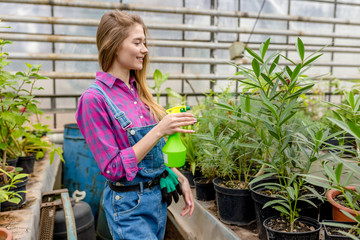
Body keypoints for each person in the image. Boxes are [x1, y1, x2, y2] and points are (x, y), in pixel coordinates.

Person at [75, 10, 195, 240]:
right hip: (129, 208)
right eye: (137, 42)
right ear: (113, 44)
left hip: (156, 202)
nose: (145, 49)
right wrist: (160, 129)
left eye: (145, 43)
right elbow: (113, 168)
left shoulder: (137, 91)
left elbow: (148, 154)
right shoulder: (94, 99)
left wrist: (177, 175)